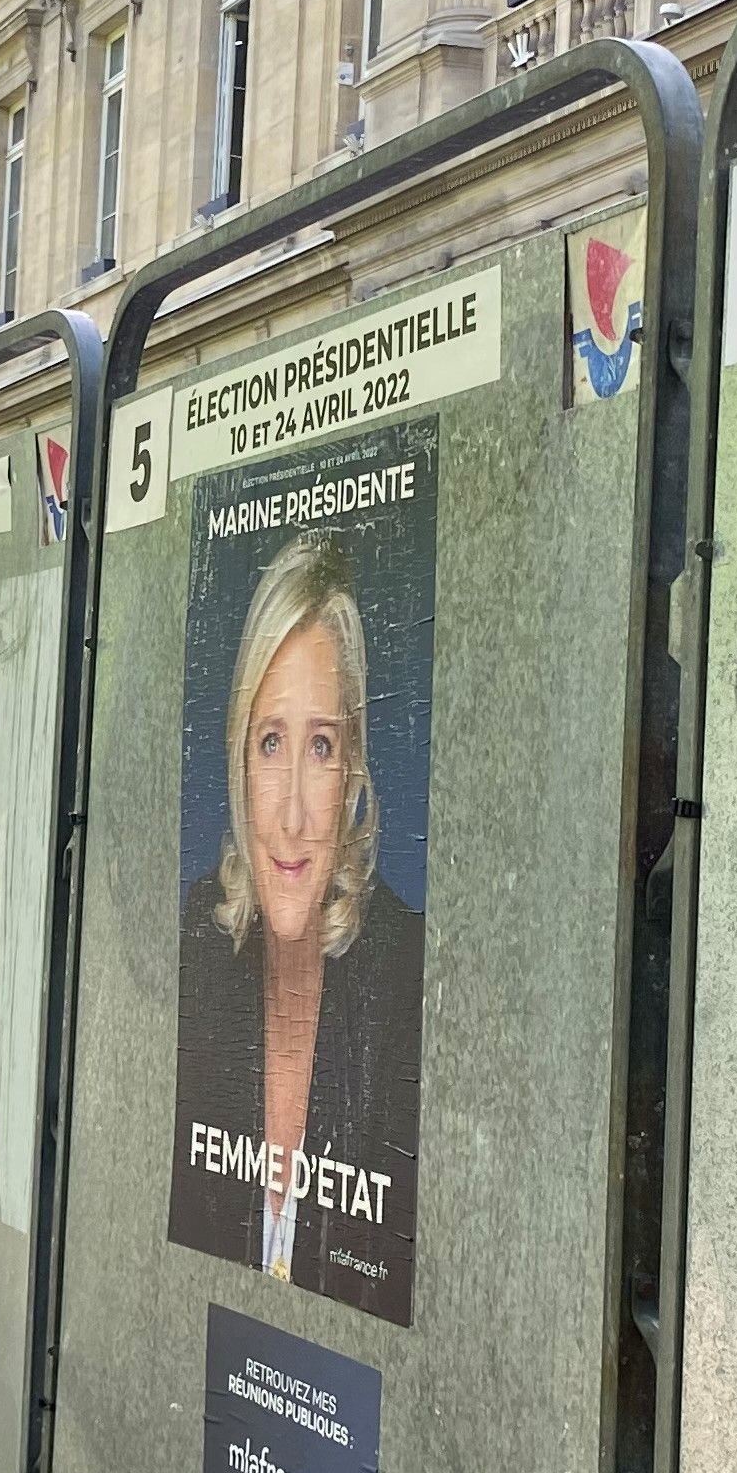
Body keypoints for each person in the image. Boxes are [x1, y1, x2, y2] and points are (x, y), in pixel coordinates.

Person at [166, 534, 426, 1318]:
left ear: (353, 774)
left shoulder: (408, 980)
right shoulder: (193, 951)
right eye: (271, 742)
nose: (289, 813)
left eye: (320, 746)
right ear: (238, 759)